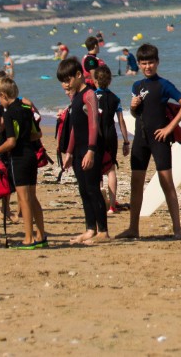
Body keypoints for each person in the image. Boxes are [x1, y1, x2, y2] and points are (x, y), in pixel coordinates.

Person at [118, 43, 181, 240]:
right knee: (136, 184)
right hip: (140, 140)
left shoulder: (163, 84)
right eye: (143, 63)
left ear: (157, 62)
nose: (147, 66)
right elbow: (136, 113)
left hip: (159, 139)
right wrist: (133, 107)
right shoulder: (137, 86)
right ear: (139, 65)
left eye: (151, 62)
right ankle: (133, 228)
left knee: (167, 183)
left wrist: (169, 128)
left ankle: (177, 230)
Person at [0, 77, 46, 248]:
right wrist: (24, 138)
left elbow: (11, 141)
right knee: (32, 198)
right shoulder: (27, 109)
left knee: (24, 199)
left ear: (4, 95)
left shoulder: (9, 112)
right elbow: (38, 134)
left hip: (19, 158)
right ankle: (41, 235)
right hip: (31, 155)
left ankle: (28, 238)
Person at [56, 57, 109, 245]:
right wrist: (69, 153)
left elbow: (93, 123)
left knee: (93, 189)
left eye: (67, 80)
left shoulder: (89, 95)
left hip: (90, 148)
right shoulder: (75, 97)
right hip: (78, 149)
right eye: (62, 81)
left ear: (79, 75)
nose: (65, 84)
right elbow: (73, 128)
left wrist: (91, 151)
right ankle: (90, 229)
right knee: (83, 189)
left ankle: (103, 231)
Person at [92, 64, 129, 213]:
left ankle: (101, 200)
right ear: (110, 81)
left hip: (97, 135)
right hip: (111, 135)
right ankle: (112, 205)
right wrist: (126, 141)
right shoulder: (115, 98)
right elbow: (121, 121)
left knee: (97, 168)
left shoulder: (91, 96)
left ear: (95, 80)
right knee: (111, 168)